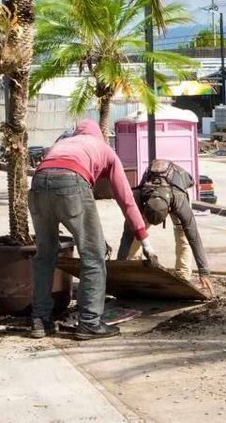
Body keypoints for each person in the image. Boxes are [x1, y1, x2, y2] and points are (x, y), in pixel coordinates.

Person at [29, 119, 153, 340]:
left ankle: (40, 320)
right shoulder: (105, 149)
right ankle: (89, 322)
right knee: (93, 256)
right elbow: (126, 199)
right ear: (99, 135)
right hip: (71, 182)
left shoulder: (62, 144)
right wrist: (143, 238)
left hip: (38, 183)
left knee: (45, 254)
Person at [116, 159, 214, 295]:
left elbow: (194, 237)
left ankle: (183, 276)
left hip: (176, 189)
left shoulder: (179, 200)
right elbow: (127, 235)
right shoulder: (138, 196)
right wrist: (119, 270)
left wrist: (204, 272)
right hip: (153, 194)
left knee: (183, 235)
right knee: (136, 229)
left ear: (169, 209)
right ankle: (132, 266)